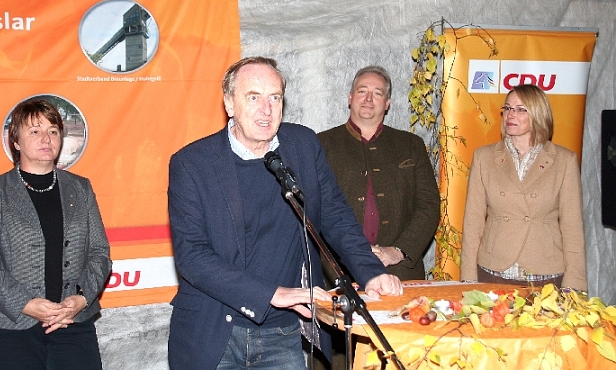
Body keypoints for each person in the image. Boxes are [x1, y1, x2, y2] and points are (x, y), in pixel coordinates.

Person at [167, 57, 403, 370]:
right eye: (254, 97)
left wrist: (371, 272)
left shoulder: (303, 145)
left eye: (275, 98)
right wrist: (271, 294)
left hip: (282, 333)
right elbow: (193, 257)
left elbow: (335, 216)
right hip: (214, 334)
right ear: (229, 103)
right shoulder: (192, 164)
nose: (266, 110)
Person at [0, 98, 112, 370]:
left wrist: (81, 299)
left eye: (53, 131)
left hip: (72, 323)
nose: (46, 138)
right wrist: (26, 304)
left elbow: (99, 254)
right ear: (16, 142)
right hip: (9, 328)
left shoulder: (81, 189)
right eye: (35, 131)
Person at [318, 65, 440, 282]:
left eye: (377, 93)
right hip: (337, 272)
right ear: (350, 97)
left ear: (387, 103)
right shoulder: (321, 144)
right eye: (362, 91)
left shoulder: (411, 145)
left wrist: (399, 250)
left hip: (400, 271)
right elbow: (311, 209)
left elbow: (429, 205)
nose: (368, 99)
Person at [460, 84, 587, 291]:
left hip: (545, 276)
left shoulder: (564, 161)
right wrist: (468, 279)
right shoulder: (484, 157)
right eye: (507, 108)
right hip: (493, 272)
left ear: (538, 114)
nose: (511, 115)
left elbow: (572, 229)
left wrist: (574, 286)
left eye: (520, 110)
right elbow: (472, 224)